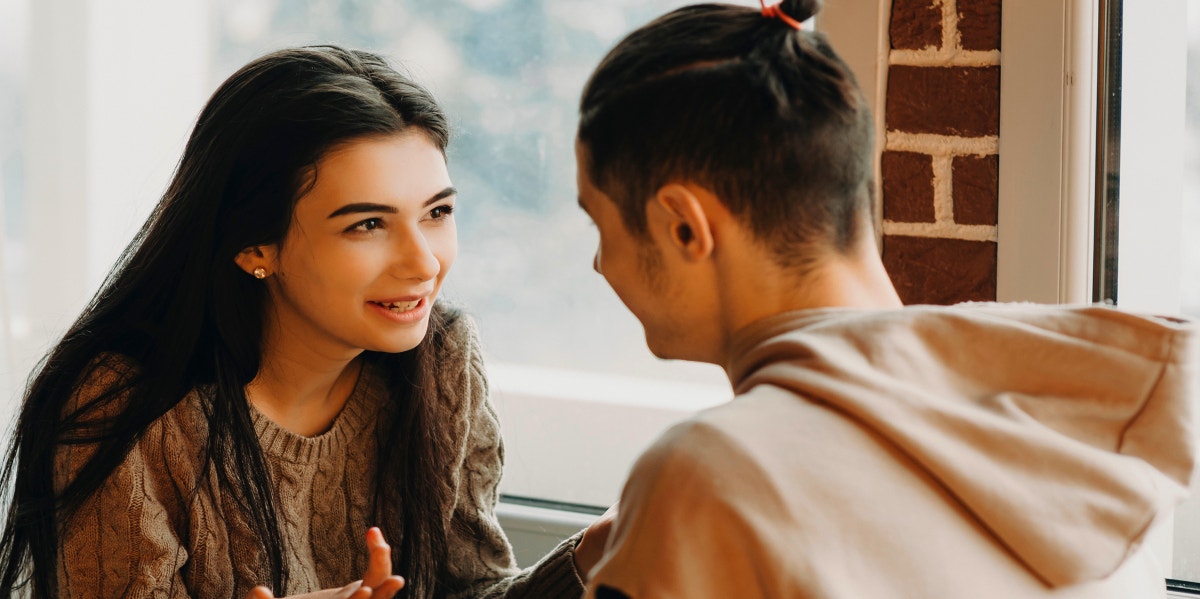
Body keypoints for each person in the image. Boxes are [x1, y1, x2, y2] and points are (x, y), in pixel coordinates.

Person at [572, 1, 1199, 597]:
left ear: (685, 227)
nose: (599, 265)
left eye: (600, 226)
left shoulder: (714, 476)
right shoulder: (1072, 427)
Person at [0, 46, 608, 599]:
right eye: (367, 224)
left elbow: (466, 592)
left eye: (437, 212)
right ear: (254, 247)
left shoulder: (445, 361)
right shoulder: (125, 407)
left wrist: (590, 558)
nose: (424, 261)